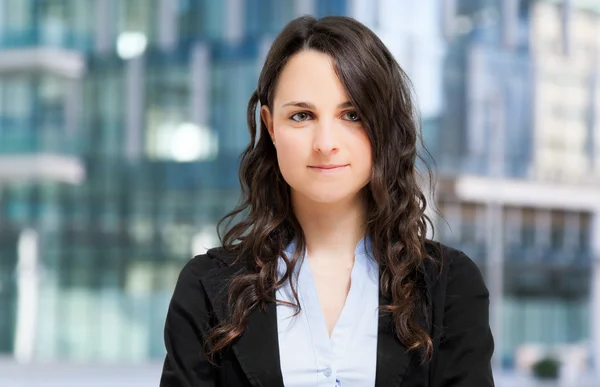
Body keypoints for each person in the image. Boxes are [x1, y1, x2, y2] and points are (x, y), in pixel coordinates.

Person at [159, 15, 494, 387]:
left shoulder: (450, 286)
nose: (325, 143)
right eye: (301, 116)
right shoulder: (207, 287)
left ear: (382, 124)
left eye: (351, 115)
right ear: (270, 126)